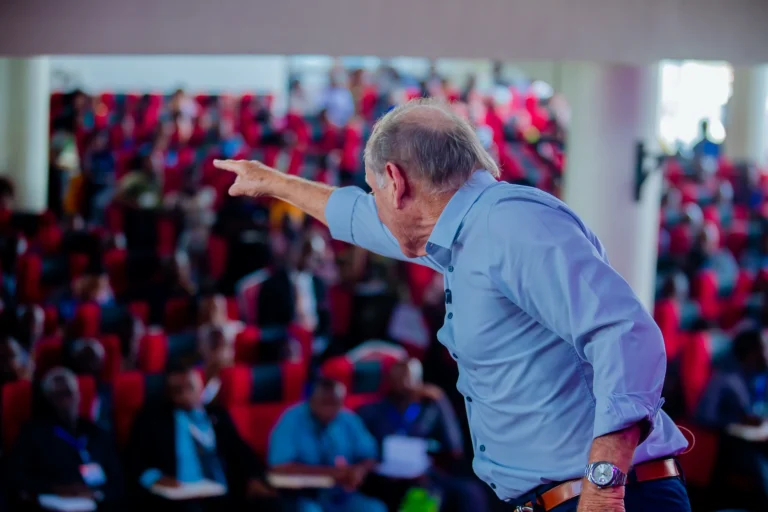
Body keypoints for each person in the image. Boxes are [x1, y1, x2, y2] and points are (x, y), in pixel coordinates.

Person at [215, 98, 691, 512]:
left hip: (609, 498)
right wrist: (271, 182)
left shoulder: (512, 226)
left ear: (395, 182)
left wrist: (605, 488)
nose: (373, 204)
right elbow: (360, 218)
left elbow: (625, 335)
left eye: (373, 189)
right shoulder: (461, 232)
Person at [128, 363, 281, 511]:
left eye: (190, 387)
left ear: (200, 386)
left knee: (271, 503)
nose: (185, 394)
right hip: (182, 497)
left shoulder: (217, 415)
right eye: (177, 390)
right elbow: (134, 460)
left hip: (223, 493)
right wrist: (157, 479)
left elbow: (241, 450)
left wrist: (253, 478)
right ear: (167, 393)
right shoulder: (152, 420)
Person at [358, 359, 487, 512]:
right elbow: (361, 446)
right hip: (382, 476)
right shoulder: (372, 410)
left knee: (469, 493)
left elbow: (454, 446)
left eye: (407, 377)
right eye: (397, 377)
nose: (403, 383)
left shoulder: (429, 408)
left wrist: (441, 400)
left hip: (422, 475)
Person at [6, 367, 122, 511]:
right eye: (58, 395)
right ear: (48, 399)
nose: (65, 400)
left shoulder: (96, 433)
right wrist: (56, 489)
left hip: (97, 503)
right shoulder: (32, 434)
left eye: (68, 393)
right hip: (53, 504)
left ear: (78, 395)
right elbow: (16, 478)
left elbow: (117, 479)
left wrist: (97, 494)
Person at [268, 377, 387, 512]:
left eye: (335, 403)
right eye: (324, 403)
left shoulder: (348, 419)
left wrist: (359, 470)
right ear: (311, 400)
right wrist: (333, 473)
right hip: (304, 495)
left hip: (341, 494)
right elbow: (279, 467)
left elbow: (370, 456)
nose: (329, 409)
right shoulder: (291, 420)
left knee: (375, 508)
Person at [696, 329, 768, 506]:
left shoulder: (756, 377)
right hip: (733, 447)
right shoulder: (724, 378)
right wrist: (736, 421)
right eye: (764, 348)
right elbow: (703, 415)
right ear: (752, 352)